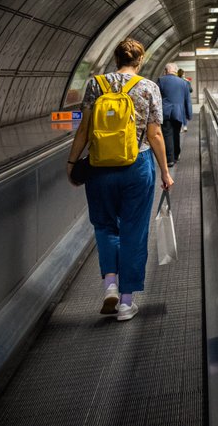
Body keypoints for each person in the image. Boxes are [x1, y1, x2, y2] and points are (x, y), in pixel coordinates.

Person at [65, 38, 173, 322]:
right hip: (137, 165)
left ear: (116, 59)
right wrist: (164, 170)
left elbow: (84, 131)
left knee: (104, 225)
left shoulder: (95, 85)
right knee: (134, 230)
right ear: (141, 60)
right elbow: (156, 134)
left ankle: (110, 284)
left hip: (100, 166)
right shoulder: (149, 87)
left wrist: (72, 162)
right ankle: (126, 302)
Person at [157, 62, 192, 166]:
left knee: (167, 135)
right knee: (176, 134)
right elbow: (187, 100)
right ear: (175, 71)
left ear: (166, 70)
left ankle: (170, 159)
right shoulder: (183, 82)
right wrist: (189, 114)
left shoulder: (161, 81)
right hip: (178, 112)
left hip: (165, 112)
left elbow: (157, 98)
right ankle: (176, 155)